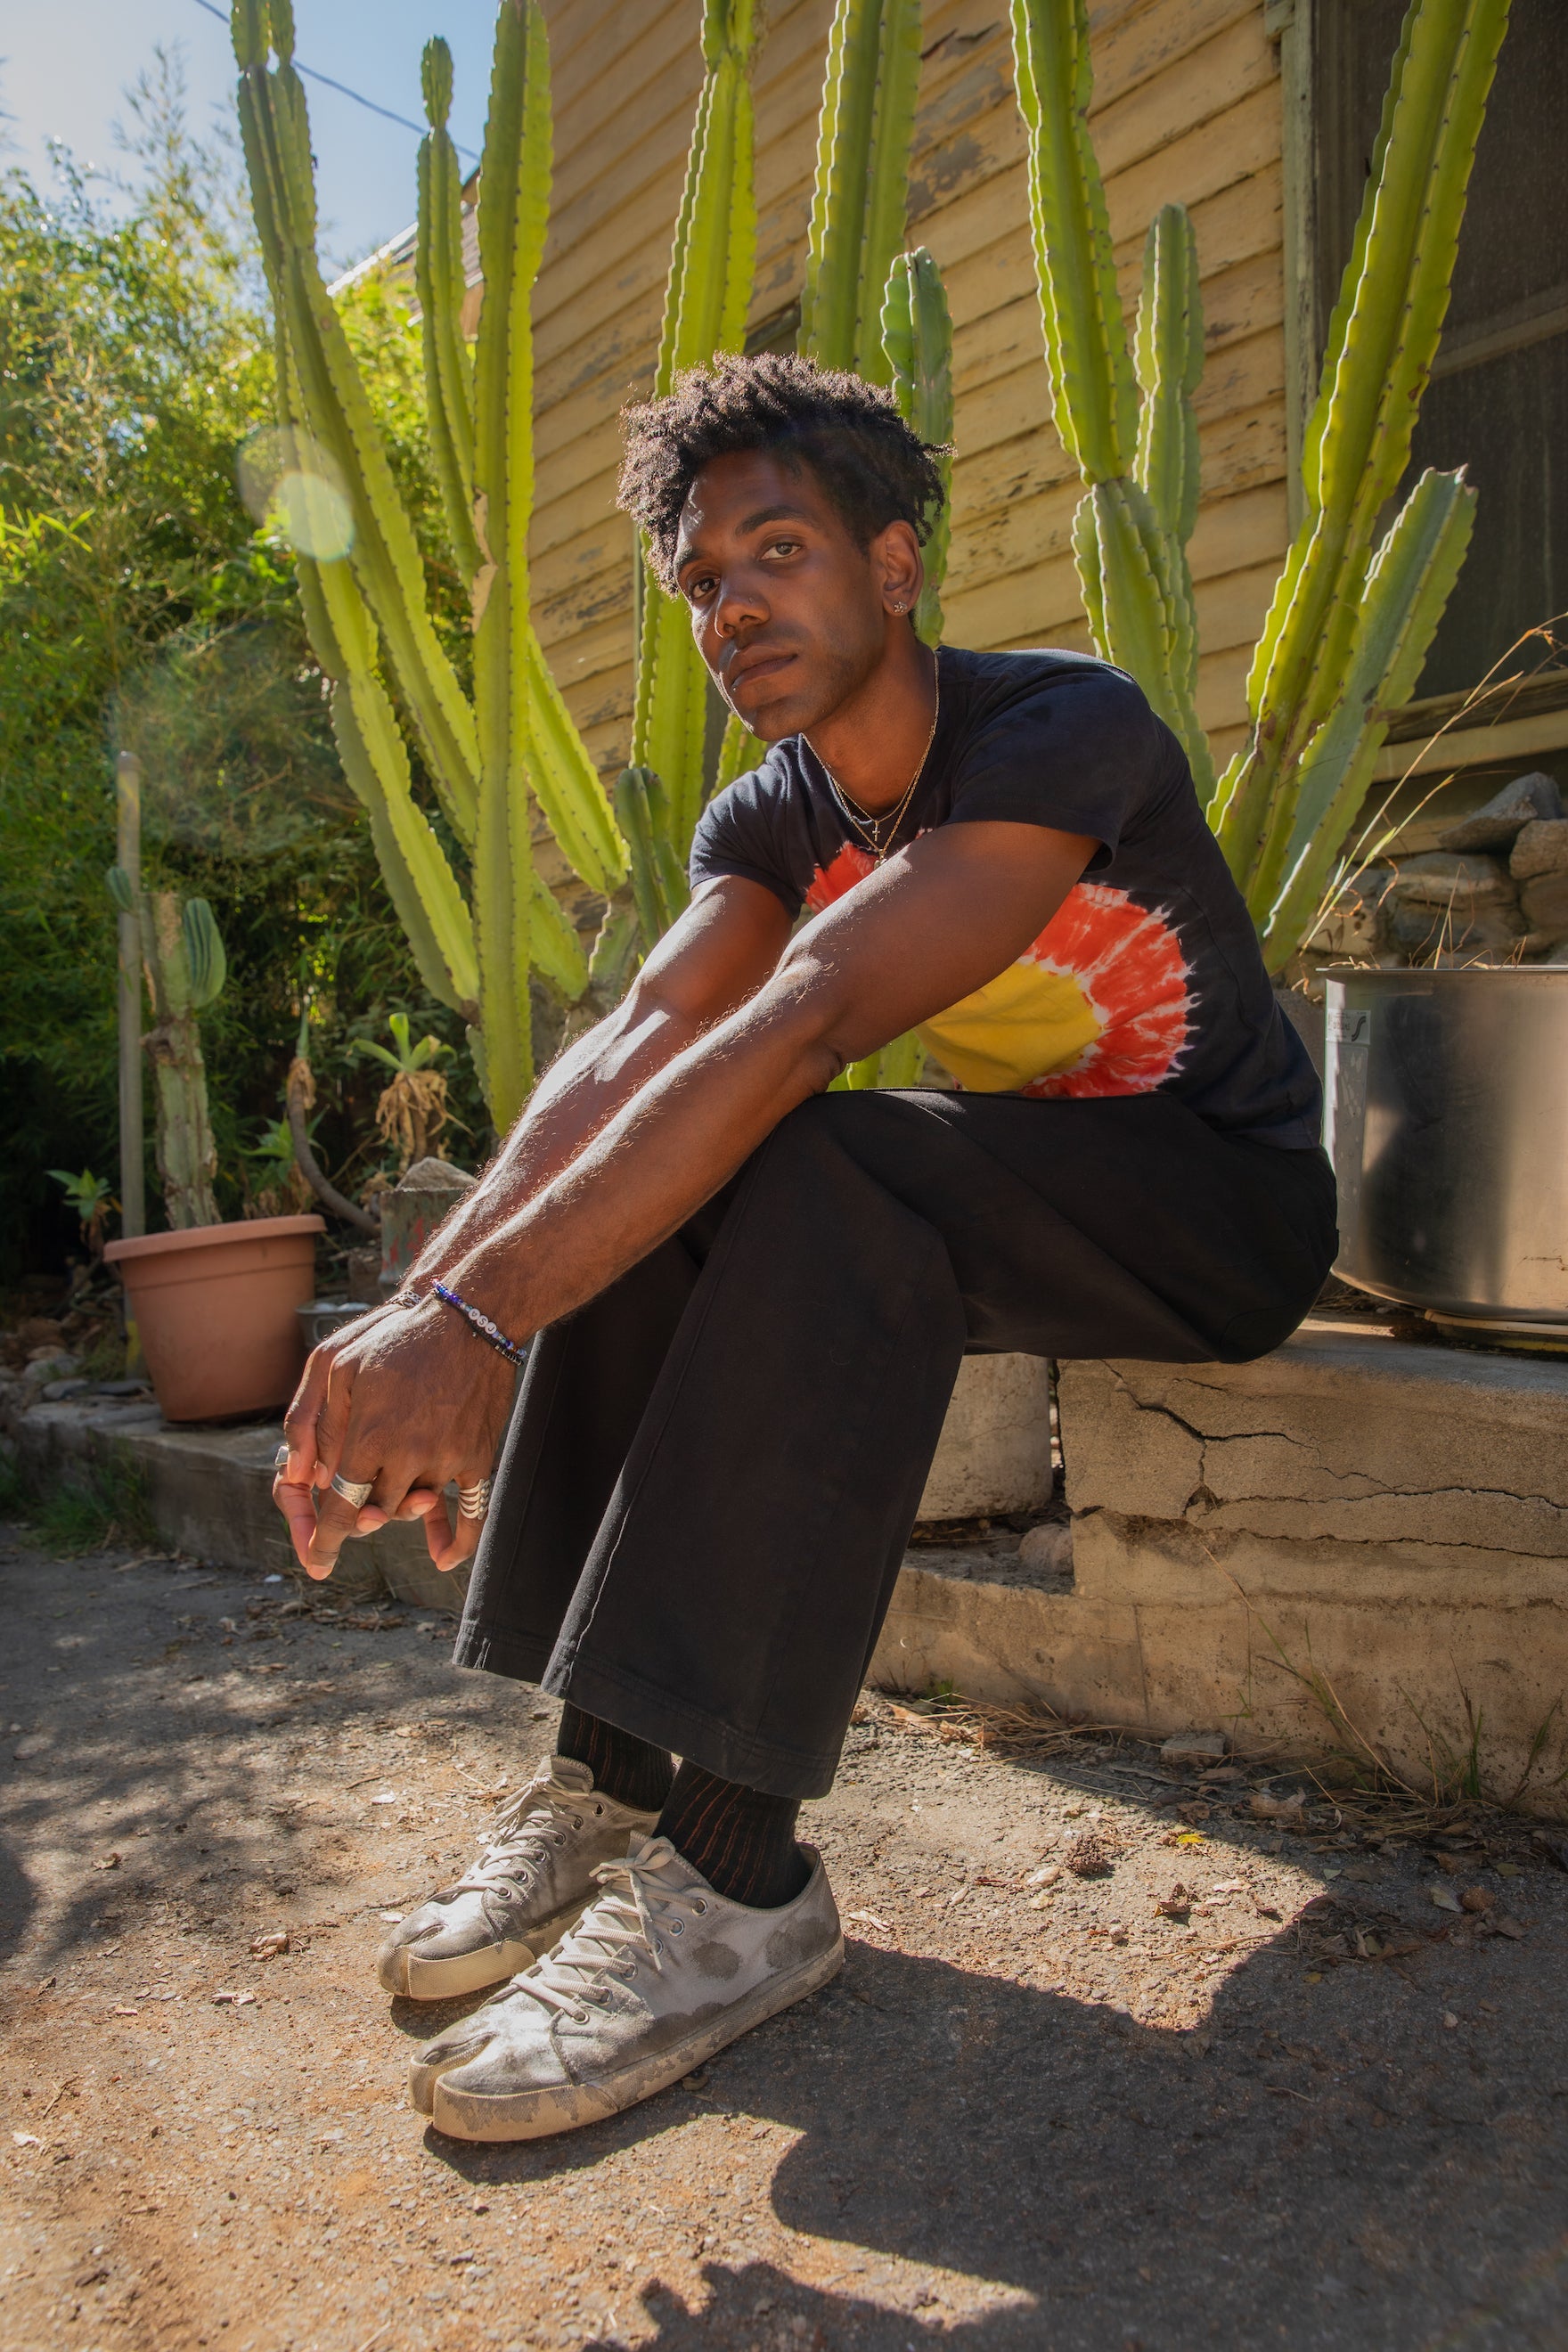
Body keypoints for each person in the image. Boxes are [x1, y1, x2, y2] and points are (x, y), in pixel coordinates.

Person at [274, 353, 1335, 2145]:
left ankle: (735, 1881)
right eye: (702, 578)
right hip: (1007, 1189)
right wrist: (425, 1307)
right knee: (698, 1153)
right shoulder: (767, 813)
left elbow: (801, 1023)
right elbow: (632, 1048)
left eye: (780, 550)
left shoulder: (1055, 729)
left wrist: (481, 1320)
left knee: (813, 1146)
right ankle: (607, 1787)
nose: (734, 601)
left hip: (1210, 1209)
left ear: (894, 569)